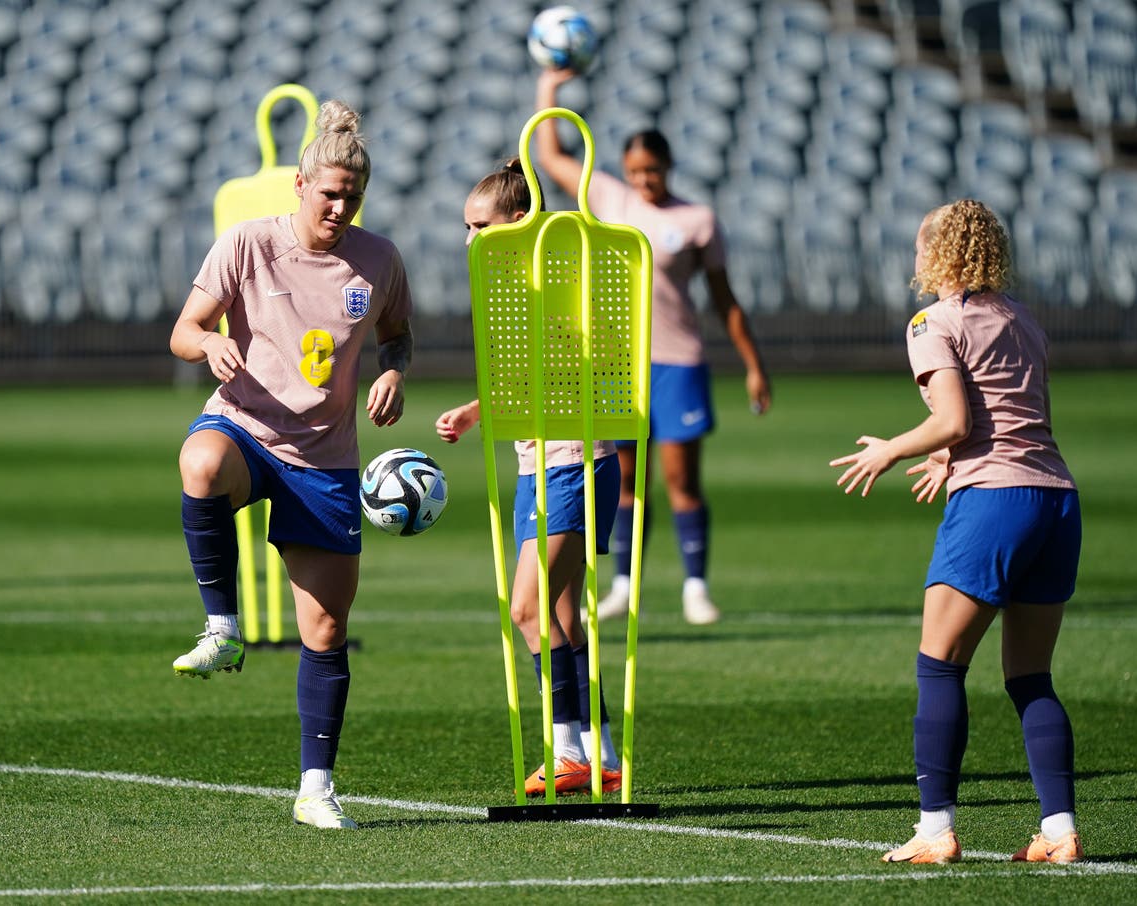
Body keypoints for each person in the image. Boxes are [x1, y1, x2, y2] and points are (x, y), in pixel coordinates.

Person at [169, 100, 414, 830]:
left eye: (352, 197)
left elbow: (397, 337)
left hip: (325, 458)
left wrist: (393, 372)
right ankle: (223, 626)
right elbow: (185, 329)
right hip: (246, 428)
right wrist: (209, 344)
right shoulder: (246, 243)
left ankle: (315, 788)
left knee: (326, 631)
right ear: (301, 185)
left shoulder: (379, 260)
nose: (339, 206)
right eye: (329, 192)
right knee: (202, 464)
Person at [829, 199, 1083, 865]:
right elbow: (1010, 412)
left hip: (995, 502)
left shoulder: (930, 321)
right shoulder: (1021, 318)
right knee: (1031, 676)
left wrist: (896, 449)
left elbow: (952, 418)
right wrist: (949, 456)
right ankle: (1059, 829)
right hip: (1056, 499)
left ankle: (934, 828)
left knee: (938, 664)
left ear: (934, 254)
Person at [534, 67, 773, 626]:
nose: (644, 180)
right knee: (624, 480)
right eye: (636, 171)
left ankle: (695, 585)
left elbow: (724, 299)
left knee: (681, 480)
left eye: (653, 170)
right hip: (618, 363)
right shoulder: (610, 197)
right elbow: (552, 158)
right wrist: (549, 89)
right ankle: (625, 583)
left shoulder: (697, 220)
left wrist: (753, 367)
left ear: (668, 167)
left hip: (678, 361)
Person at [435, 160, 623, 796]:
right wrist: (474, 408)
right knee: (563, 617)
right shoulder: (518, 287)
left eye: (480, 226)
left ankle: (568, 748)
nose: (470, 241)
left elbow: (565, 364)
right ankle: (601, 749)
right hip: (543, 466)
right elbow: (525, 374)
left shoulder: (549, 283)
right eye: (465, 228)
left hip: (569, 464)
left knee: (527, 609)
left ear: (520, 223)